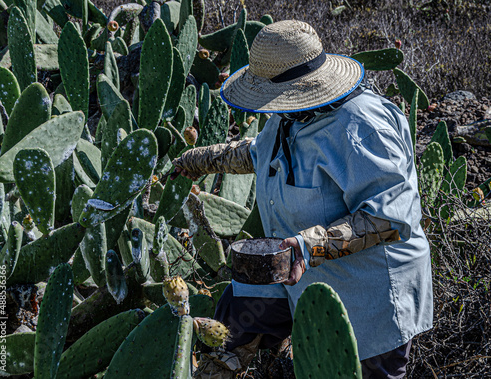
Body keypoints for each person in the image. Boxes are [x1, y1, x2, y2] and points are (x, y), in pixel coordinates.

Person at [172, 20, 433, 378]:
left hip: (369, 290)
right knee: (237, 314)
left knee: (364, 371)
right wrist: (199, 160)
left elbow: (389, 218)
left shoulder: (362, 129)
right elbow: (262, 154)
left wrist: (305, 247)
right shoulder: (290, 115)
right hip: (297, 270)